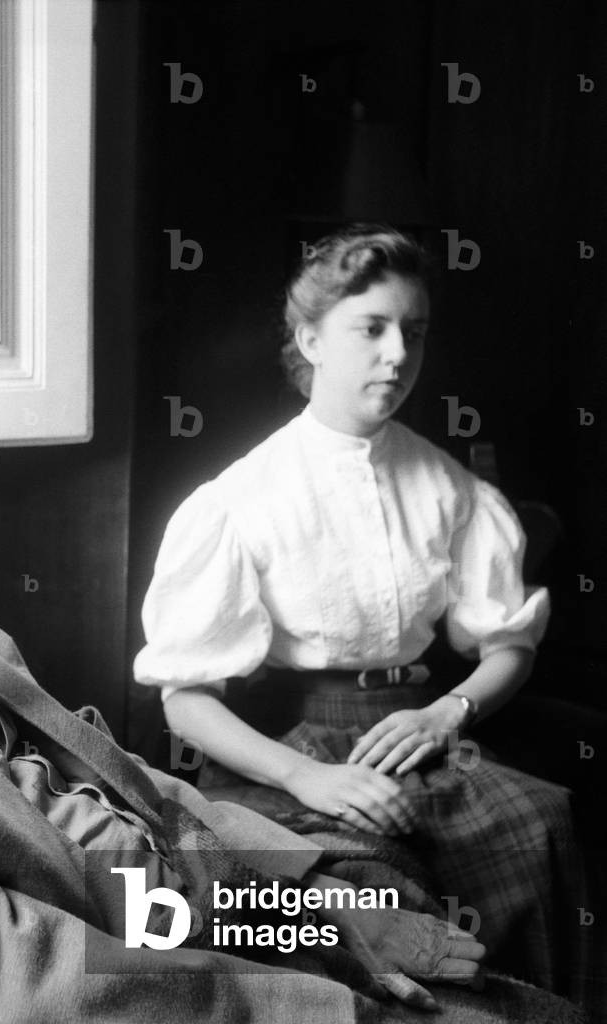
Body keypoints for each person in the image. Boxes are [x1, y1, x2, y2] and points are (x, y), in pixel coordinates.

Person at [0, 323, 580, 1024]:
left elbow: (129, 781)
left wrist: (304, 891)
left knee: (409, 889)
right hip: (129, 976)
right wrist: (311, 964)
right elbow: (15, 981)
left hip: (153, 913)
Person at [134, 225, 588, 1006]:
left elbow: (509, 643)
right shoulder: (240, 501)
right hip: (284, 742)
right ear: (309, 338)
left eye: (412, 332)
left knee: (539, 823)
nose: (398, 355)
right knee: (363, 892)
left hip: (417, 730)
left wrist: (450, 712)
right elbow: (185, 698)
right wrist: (305, 777)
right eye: (370, 329)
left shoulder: (448, 486)